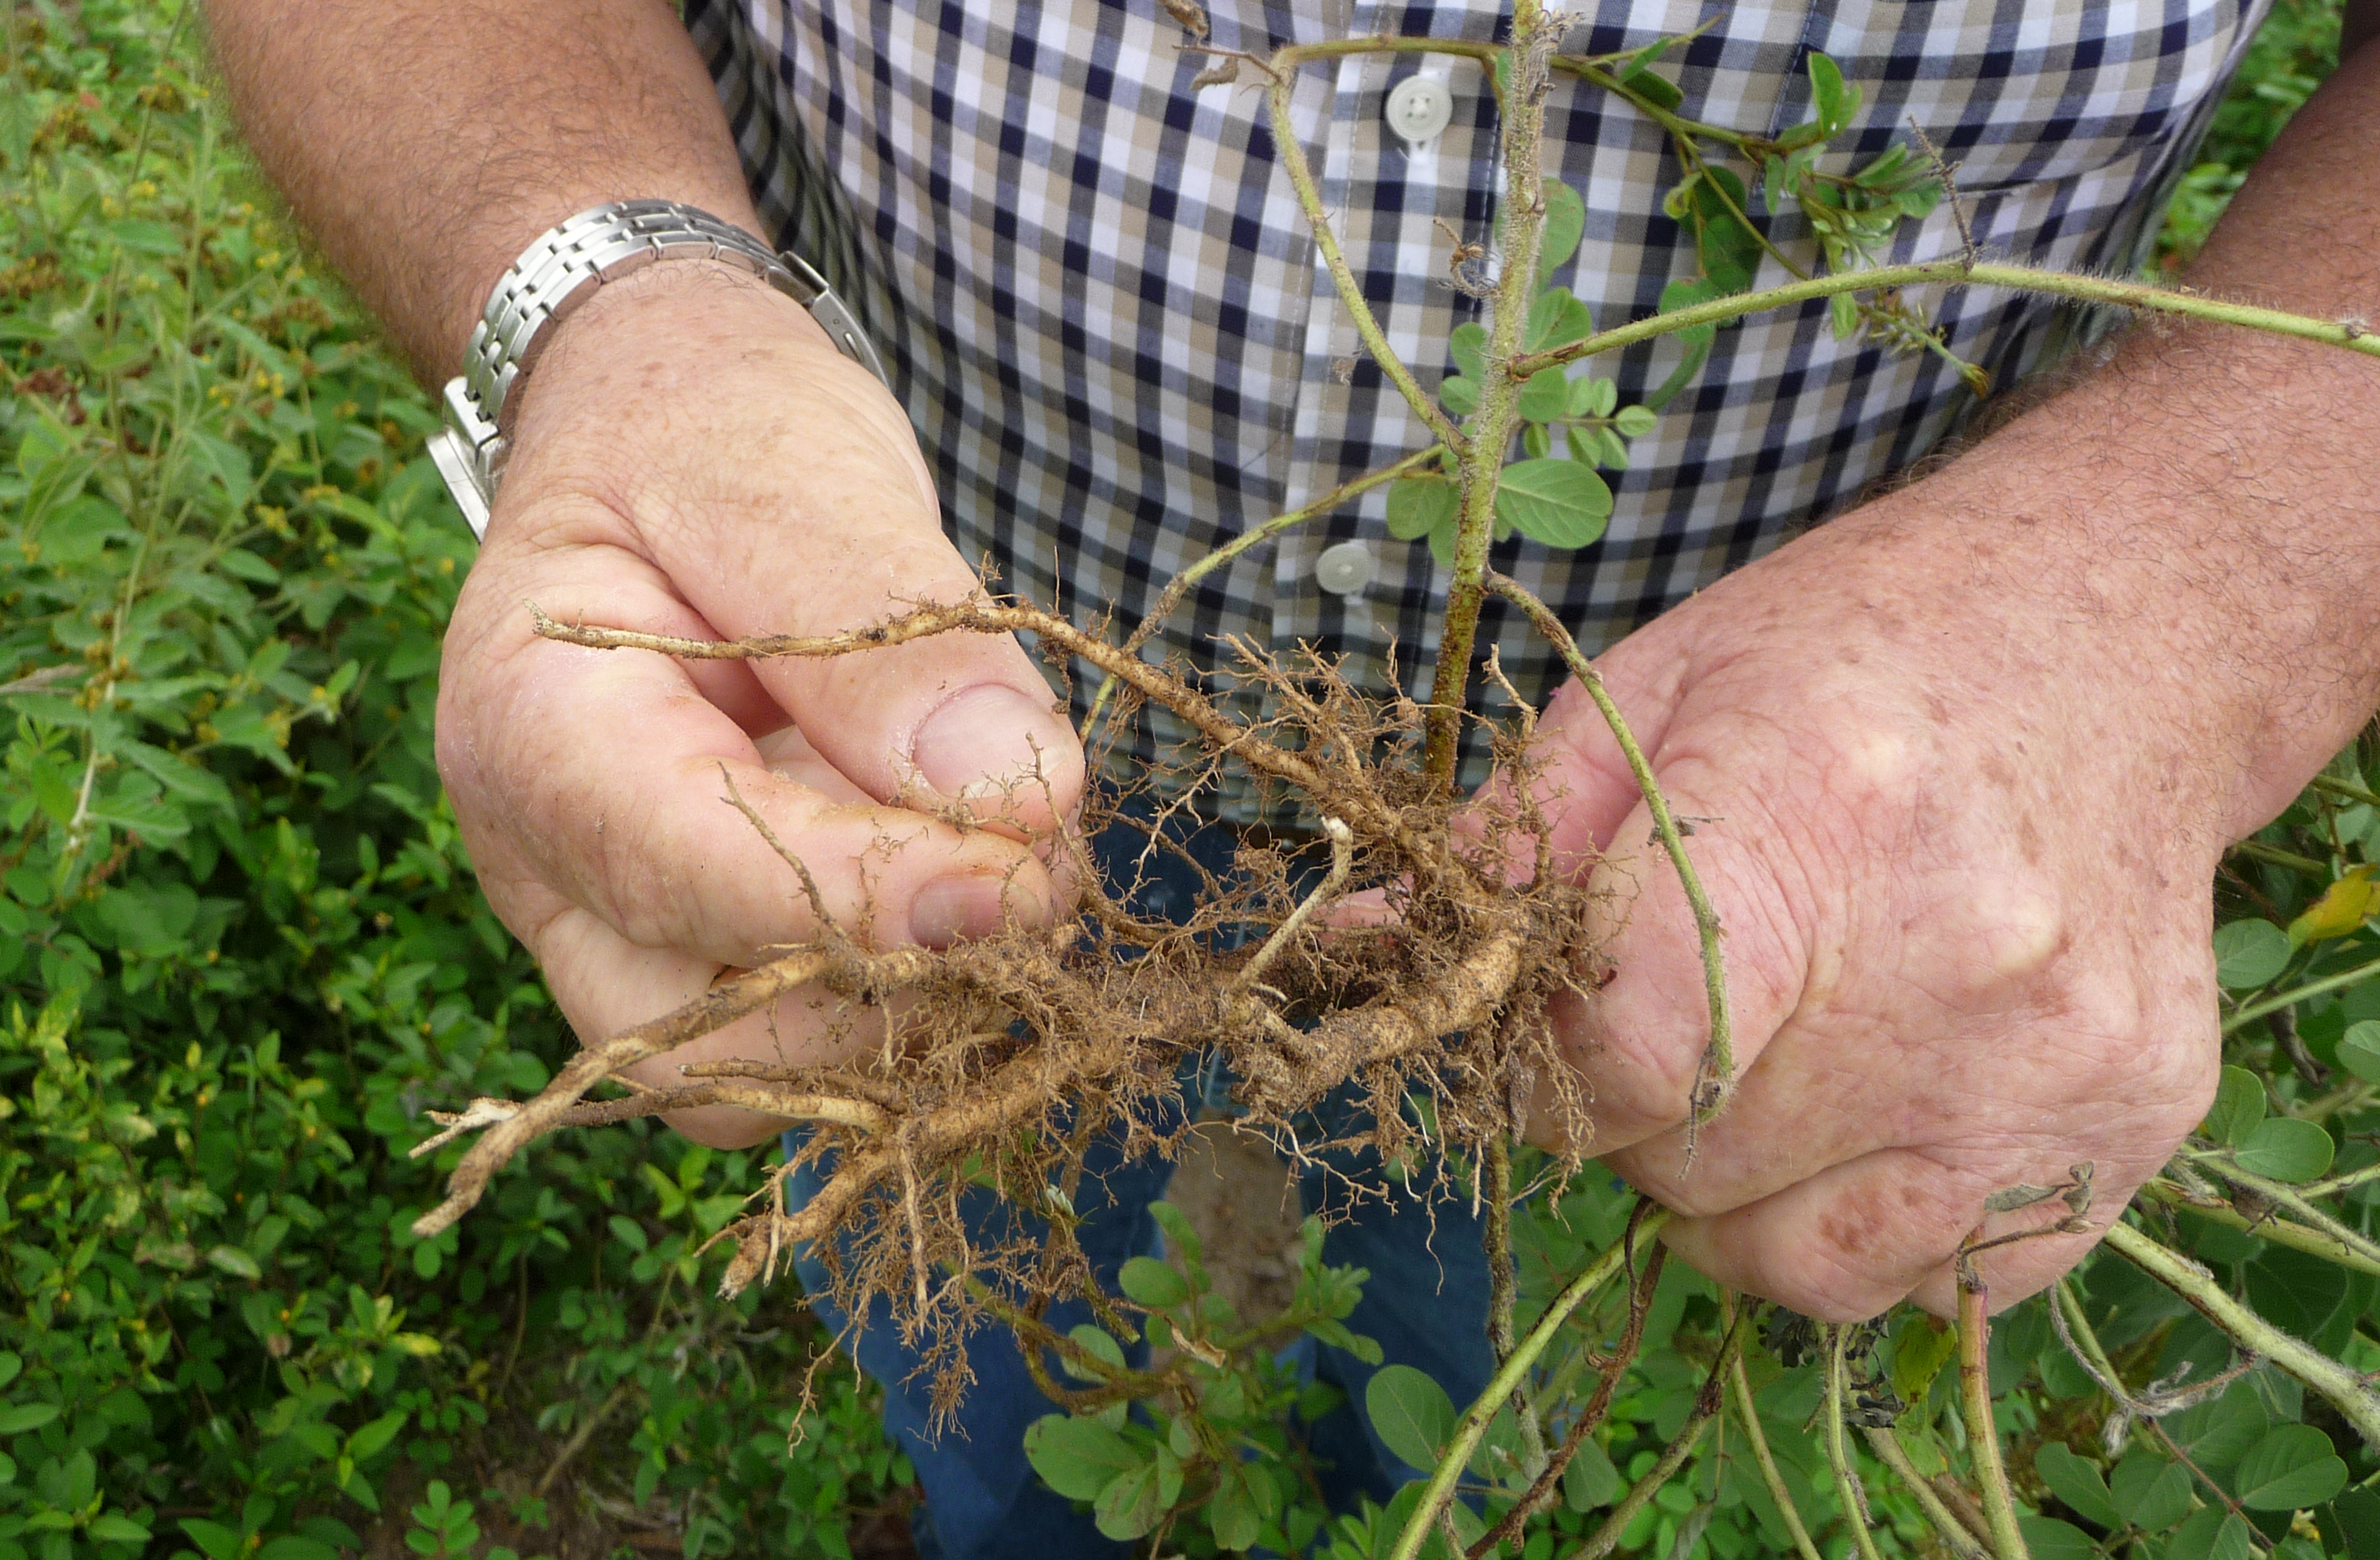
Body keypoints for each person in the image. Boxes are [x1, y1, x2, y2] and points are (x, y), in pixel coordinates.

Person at [207, 0, 2380, 1551]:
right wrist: (616, 311)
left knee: (1531, 1417)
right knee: (1040, 1379)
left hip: (1780, 929)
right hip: (913, 815)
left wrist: (2177, 589)